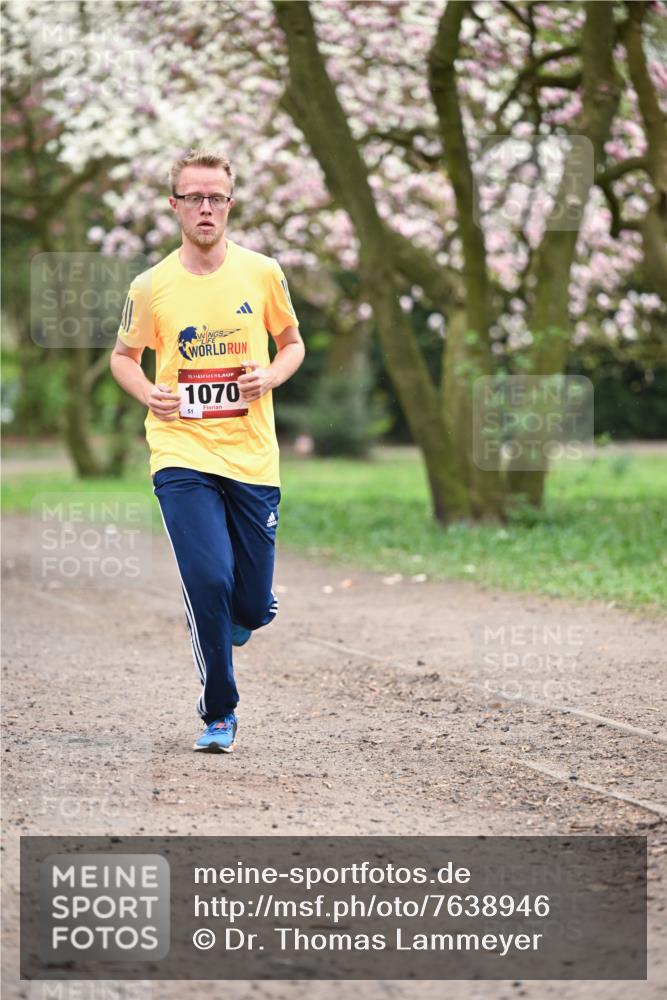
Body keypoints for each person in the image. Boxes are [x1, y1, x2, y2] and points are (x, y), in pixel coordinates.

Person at [110, 149, 305, 753]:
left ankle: (246, 612)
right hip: (181, 452)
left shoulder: (263, 272)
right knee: (207, 579)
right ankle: (219, 710)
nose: (204, 208)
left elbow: (292, 344)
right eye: (193, 197)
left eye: (215, 197)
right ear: (174, 207)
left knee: (249, 602)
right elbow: (123, 358)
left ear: (230, 203)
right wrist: (149, 393)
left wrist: (269, 376)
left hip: (251, 456)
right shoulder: (151, 287)